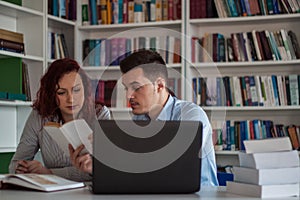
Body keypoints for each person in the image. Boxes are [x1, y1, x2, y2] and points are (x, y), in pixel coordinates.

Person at [70, 50, 219, 186]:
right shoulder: (140, 121)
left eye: (136, 87)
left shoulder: (191, 115)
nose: (129, 96)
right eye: (126, 88)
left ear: (159, 86)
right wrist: (97, 168)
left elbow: (172, 166)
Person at [9, 58, 110, 182]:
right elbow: (14, 164)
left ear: (86, 89)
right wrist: (23, 168)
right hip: (52, 192)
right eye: (62, 93)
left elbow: (102, 169)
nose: (71, 99)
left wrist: (49, 173)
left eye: (77, 90)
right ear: (51, 94)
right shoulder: (39, 116)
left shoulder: (100, 114)